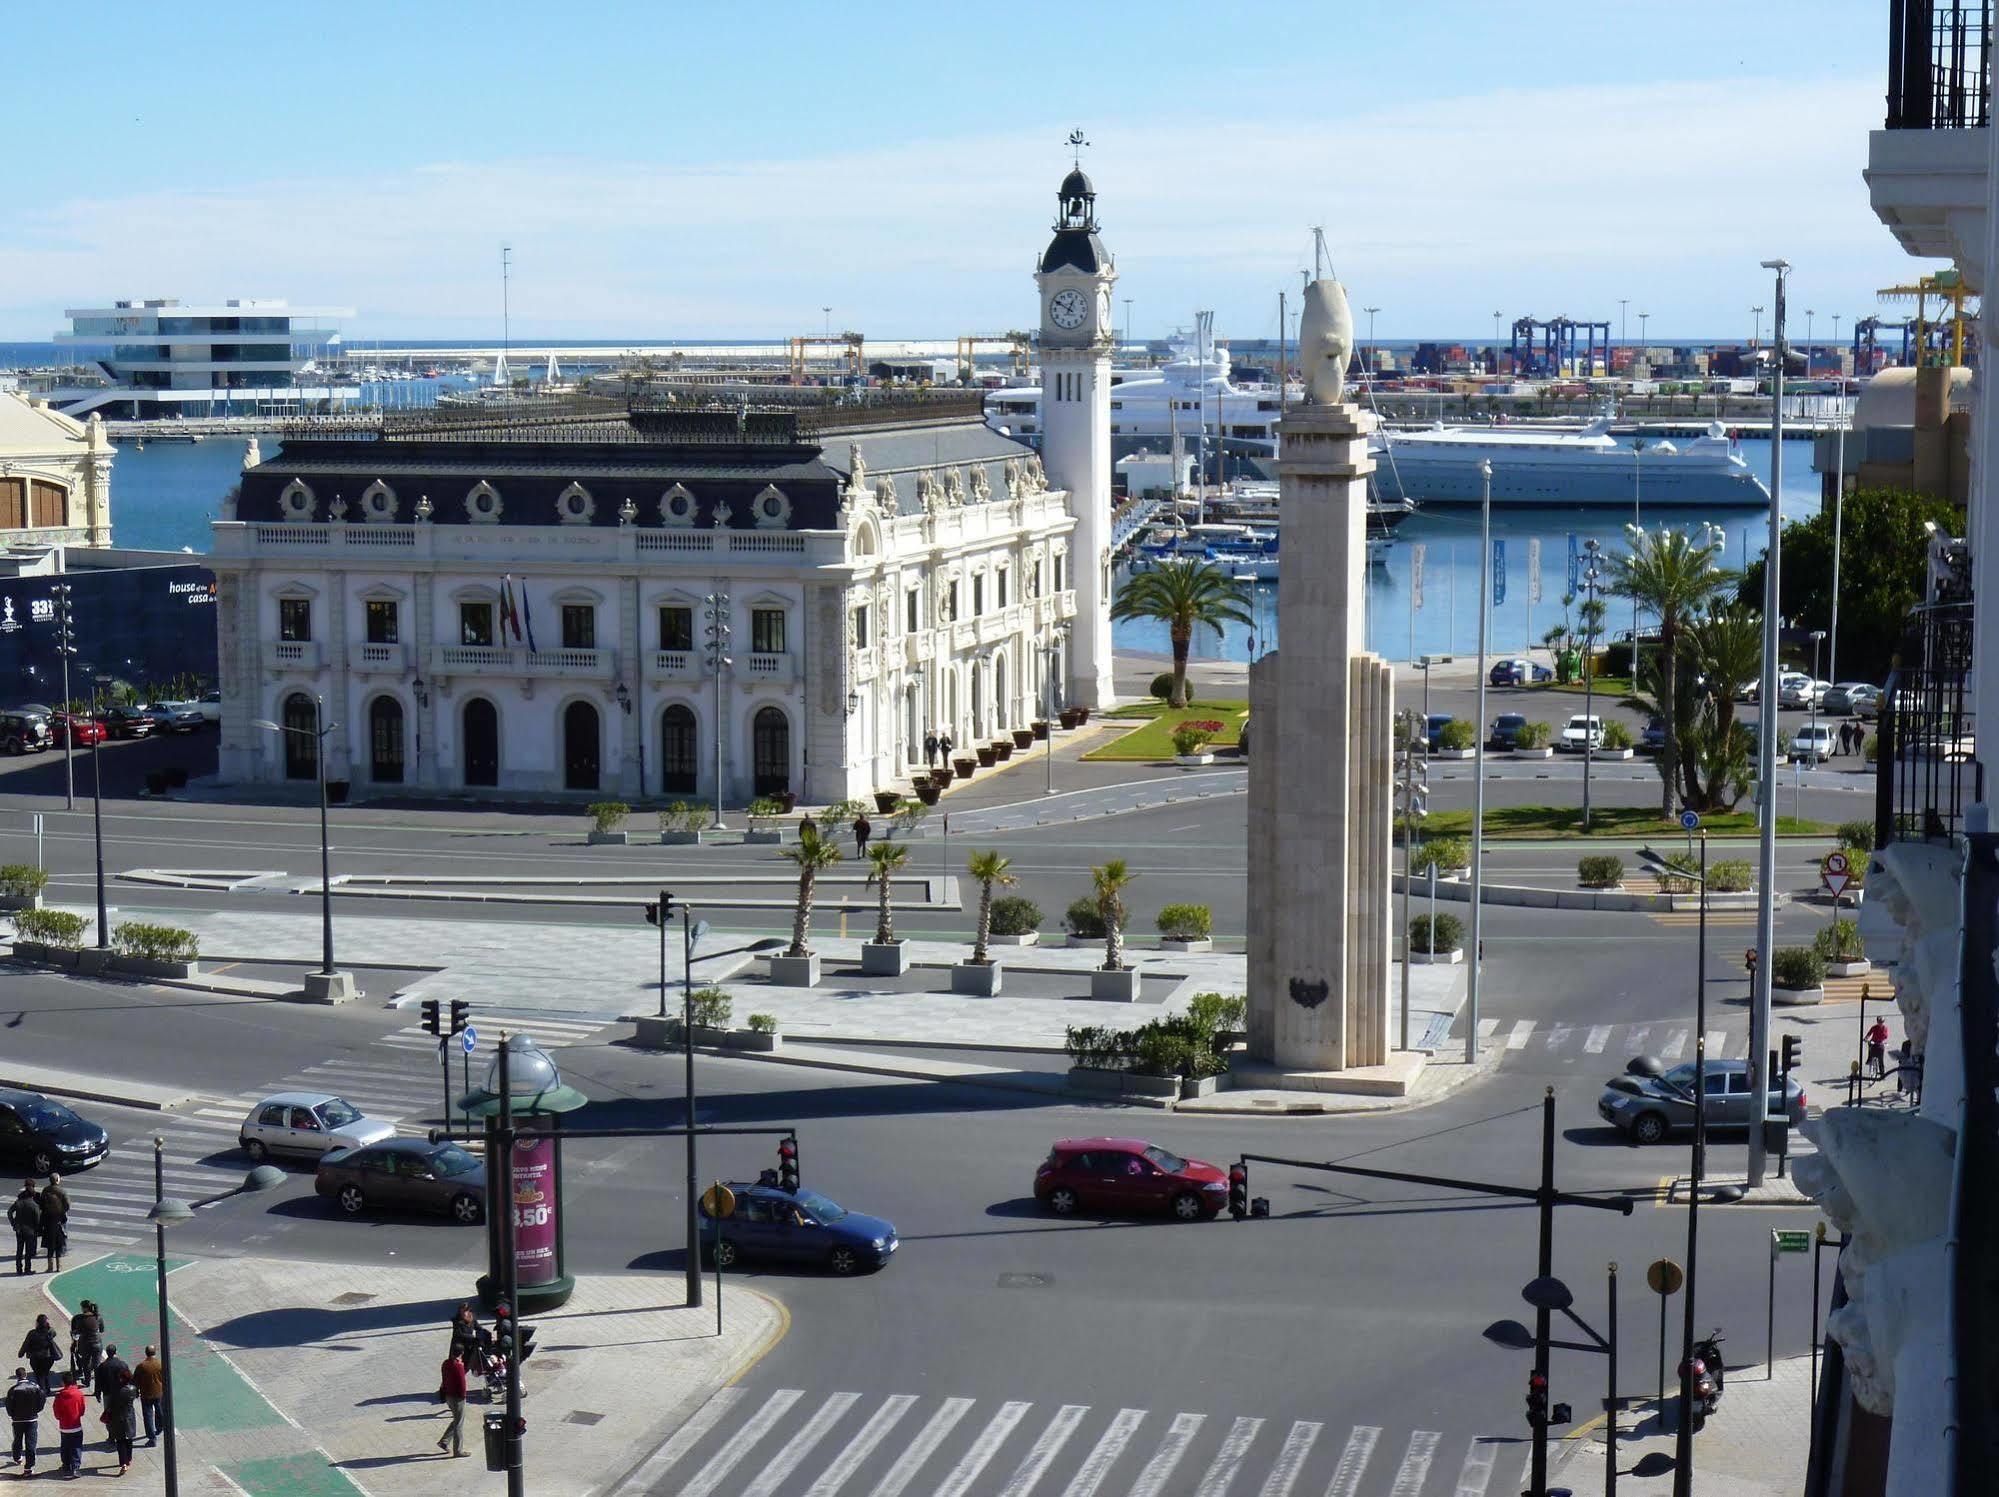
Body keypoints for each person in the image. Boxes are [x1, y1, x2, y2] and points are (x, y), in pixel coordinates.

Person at [99, 1367, 136, 1477]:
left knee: (120, 1441)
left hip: (118, 1417)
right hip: (129, 1417)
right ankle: (129, 1459)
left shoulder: (117, 1391)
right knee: (129, 1439)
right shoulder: (133, 1389)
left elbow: (111, 1405)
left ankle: (123, 1463)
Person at [5, 1366, 42, 1474]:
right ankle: (28, 1467)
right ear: (26, 1375)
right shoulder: (35, 1387)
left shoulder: (13, 1390)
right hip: (31, 1420)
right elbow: (42, 1399)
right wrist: (36, 1410)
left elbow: (9, 1405)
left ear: (17, 1376)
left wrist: (12, 1415)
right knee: (31, 1443)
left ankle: (17, 1457)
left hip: (17, 1420)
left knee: (17, 1439)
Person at [436, 1347, 467, 1457]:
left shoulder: (446, 1363)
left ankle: (444, 1441)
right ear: (461, 1353)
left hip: (448, 1395)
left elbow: (444, 1378)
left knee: (456, 1419)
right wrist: (463, 1397)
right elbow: (462, 1384)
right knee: (459, 1423)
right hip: (457, 1398)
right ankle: (458, 1451)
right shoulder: (458, 1366)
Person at [51, 1374, 83, 1479]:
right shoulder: (79, 1394)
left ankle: (66, 1465)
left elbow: (56, 1412)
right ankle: (76, 1467)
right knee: (77, 1447)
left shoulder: (59, 1396)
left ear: (63, 1383)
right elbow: (82, 1410)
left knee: (65, 1447)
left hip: (64, 1426)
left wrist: (60, 1418)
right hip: (76, 1425)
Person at [19, 1316, 60, 1393]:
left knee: (39, 1376)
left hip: (36, 1359)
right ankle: (47, 1389)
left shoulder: (32, 1333)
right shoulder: (50, 1332)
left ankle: (42, 1392)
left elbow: (25, 1345)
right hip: (48, 1358)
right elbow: (54, 1332)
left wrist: (21, 1354)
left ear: (37, 1323)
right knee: (45, 1373)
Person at [133, 1347, 163, 1447]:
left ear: (146, 1353)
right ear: (155, 1352)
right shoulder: (160, 1364)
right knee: (159, 1411)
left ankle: (152, 1438)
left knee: (148, 1416)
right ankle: (160, 1428)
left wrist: (136, 1391)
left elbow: (135, 1381)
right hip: (159, 1392)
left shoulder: (141, 1366)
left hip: (146, 1394)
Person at [67, 1306, 101, 1392]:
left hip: (86, 1345)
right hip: (97, 1344)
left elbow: (77, 1333)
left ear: (84, 1309)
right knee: (96, 1365)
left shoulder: (80, 1319)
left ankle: (87, 1381)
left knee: (86, 1363)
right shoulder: (98, 1317)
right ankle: (97, 1387)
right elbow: (102, 1329)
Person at [38, 1177, 67, 1275]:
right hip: (58, 1228)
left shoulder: (46, 1210)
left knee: (50, 1248)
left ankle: (50, 1267)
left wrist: (41, 1227)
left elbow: (41, 1219)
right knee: (58, 1247)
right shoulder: (60, 1209)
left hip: (48, 1228)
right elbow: (64, 1219)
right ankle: (59, 1267)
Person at [8, 1187, 39, 1276]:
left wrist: (13, 1224)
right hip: (30, 1231)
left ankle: (18, 1269)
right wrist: (36, 1229)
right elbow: (37, 1220)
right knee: (28, 1252)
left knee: (19, 1250)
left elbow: (9, 1212)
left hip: (19, 1230)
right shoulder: (34, 1205)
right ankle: (27, 1269)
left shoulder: (18, 1203)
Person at [94, 1345, 129, 1409]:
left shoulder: (102, 1366)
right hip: (120, 1393)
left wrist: (97, 1394)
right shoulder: (122, 1365)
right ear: (116, 1352)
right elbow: (129, 1379)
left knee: (107, 1413)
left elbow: (98, 1381)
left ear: (107, 1353)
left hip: (107, 1393)